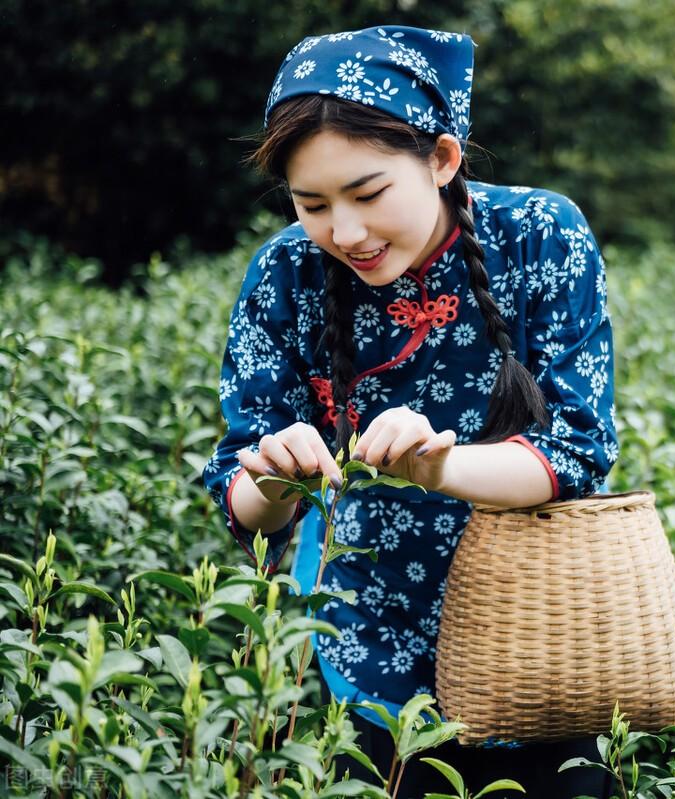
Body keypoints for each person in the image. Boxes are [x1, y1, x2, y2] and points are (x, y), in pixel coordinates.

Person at [201, 24, 618, 798]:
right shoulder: (283, 275)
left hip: (538, 639)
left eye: (368, 194)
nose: (346, 233)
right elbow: (243, 504)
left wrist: (441, 467)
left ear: (442, 158)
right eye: (312, 203)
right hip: (357, 651)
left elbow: (578, 450)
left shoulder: (540, 236)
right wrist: (275, 475)